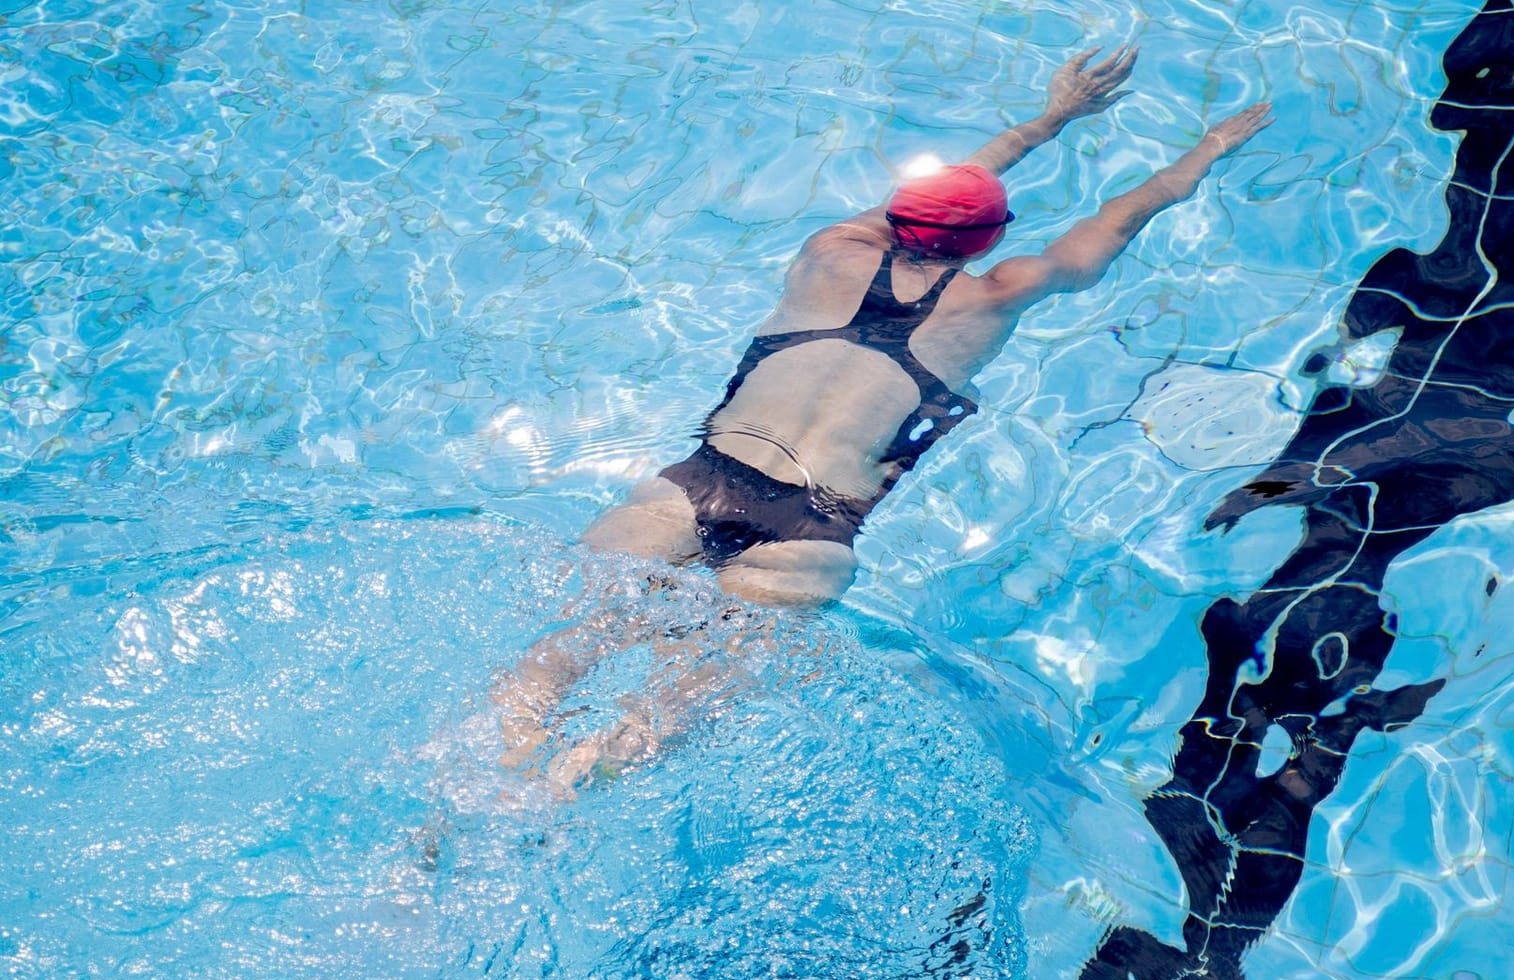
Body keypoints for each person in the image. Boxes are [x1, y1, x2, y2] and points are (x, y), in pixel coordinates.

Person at [496, 48, 1272, 783]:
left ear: (895, 214)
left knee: (556, 658)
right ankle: (563, 792)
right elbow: (1123, 217)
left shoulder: (830, 246)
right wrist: (1208, 147)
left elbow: (954, 184)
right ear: (993, 240)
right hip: (814, 530)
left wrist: (1052, 118)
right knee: (658, 716)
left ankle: (481, 783)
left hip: (692, 487)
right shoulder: (1001, 293)